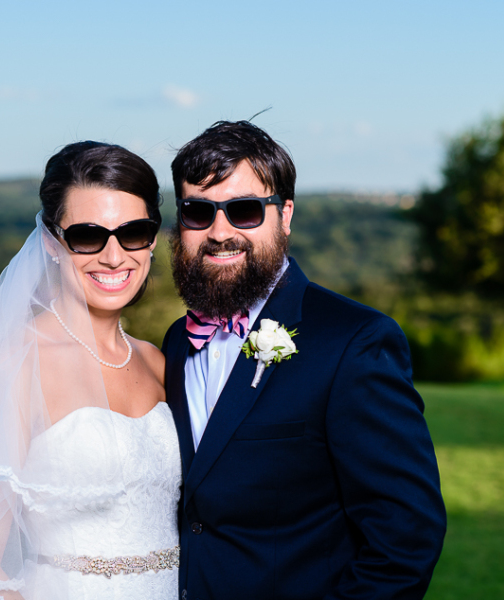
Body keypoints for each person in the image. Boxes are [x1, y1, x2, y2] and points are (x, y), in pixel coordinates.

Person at [162, 121, 447, 600]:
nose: (220, 231)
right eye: (198, 212)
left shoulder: (355, 341)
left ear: (285, 215)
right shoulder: (175, 341)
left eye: (245, 210)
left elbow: (406, 539)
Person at [0, 141, 181, 600]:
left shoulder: (158, 362)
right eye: (88, 236)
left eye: (134, 232)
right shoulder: (12, 366)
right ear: (52, 243)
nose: (114, 256)